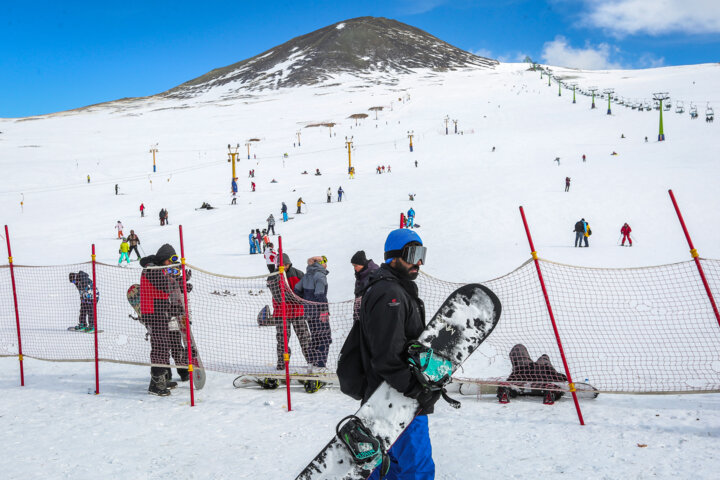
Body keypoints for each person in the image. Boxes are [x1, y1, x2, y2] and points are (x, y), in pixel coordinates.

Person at [354, 229, 437, 478]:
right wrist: (417, 390)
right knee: (416, 470)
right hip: (398, 400)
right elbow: (387, 355)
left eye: (422, 254)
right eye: (413, 254)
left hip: (386, 398)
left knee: (391, 468)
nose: (419, 262)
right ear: (393, 256)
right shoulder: (390, 294)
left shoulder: (392, 289)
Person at [139, 244, 190, 396]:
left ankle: (163, 378)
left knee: (164, 344)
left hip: (159, 310)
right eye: (169, 261)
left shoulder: (158, 268)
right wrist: (179, 282)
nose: (170, 264)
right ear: (163, 258)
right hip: (152, 311)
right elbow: (164, 286)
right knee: (160, 345)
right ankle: (156, 383)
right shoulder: (151, 269)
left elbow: (164, 291)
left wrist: (181, 284)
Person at [267, 253, 314, 370]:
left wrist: (299, 299)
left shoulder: (298, 274)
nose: (285, 266)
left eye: (286, 264)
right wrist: (295, 298)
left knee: (305, 338)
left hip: (298, 313)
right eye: (282, 264)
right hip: (281, 314)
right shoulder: (273, 276)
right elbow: (278, 297)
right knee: (282, 340)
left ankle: (311, 361)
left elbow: (305, 293)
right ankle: (282, 362)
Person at [496, 344, 568, 405]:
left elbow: (511, 379)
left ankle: (508, 390)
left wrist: (506, 384)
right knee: (544, 357)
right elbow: (560, 378)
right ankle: (551, 390)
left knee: (518, 348)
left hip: (523, 373)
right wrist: (560, 377)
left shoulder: (518, 370)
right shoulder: (543, 367)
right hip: (542, 374)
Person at [295, 256, 331, 370]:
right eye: (325, 261)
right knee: (325, 337)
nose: (326, 264)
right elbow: (320, 294)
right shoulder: (320, 275)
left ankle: (311, 363)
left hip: (309, 312)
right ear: (320, 263)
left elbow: (296, 289)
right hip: (319, 313)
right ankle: (320, 365)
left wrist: (306, 302)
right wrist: (324, 310)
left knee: (315, 337)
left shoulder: (307, 275)